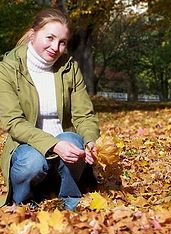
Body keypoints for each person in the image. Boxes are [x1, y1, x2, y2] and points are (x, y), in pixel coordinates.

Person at [0, 8, 100, 211]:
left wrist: (90, 141)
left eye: (62, 42)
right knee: (32, 162)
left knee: (74, 140)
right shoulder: (8, 68)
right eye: (50, 38)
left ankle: (70, 199)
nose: (56, 47)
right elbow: (13, 123)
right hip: (27, 149)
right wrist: (54, 145)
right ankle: (25, 202)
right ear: (33, 33)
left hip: (65, 151)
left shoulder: (69, 67)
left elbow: (83, 114)